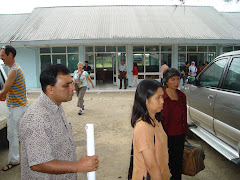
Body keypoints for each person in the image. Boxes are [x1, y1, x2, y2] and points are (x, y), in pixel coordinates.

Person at [19, 64, 99, 179]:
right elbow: (38, 163)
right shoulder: (35, 118)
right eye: (66, 85)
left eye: (71, 83)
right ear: (50, 89)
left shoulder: (57, 105)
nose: (72, 88)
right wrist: (78, 166)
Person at [131, 79, 172, 180]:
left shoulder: (155, 121)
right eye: (158, 98)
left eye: (162, 96)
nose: (162, 101)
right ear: (146, 100)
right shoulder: (143, 128)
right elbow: (151, 166)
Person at [0, 45, 28, 171]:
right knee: (14, 135)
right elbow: (6, 91)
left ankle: (16, 160)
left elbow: (4, 91)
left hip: (17, 108)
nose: (2, 59)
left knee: (15, 135)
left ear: (10, 55)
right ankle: (17, 159)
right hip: (16, 107)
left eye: (3, 56)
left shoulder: (13, 71)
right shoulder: (14, 69)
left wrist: (3, 94)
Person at [161, 68, 188, 180]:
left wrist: (185, 132)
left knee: (177, 163)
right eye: (173, 79)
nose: (177, 82)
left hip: (179, 135)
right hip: (164, 135)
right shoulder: (160, 96)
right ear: (166, 81)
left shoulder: (182, 96)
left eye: (178, 79)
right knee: (163, 163)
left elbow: (184, 116)